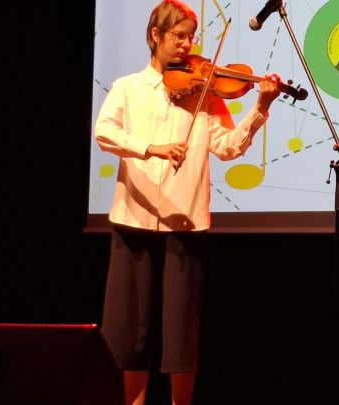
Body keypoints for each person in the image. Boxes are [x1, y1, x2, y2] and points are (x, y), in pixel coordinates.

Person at [93, 1, 281, 404]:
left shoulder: (203, 92)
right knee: (130, 335)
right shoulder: (128, 88)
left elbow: (228, 147)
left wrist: (259, 109)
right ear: (155, 35)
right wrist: (151, 148)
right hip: (134, 220)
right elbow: (104, 132)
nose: (187, 45)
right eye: (178, 36)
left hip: (185, 223)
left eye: (191, 37)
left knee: (181, 335)